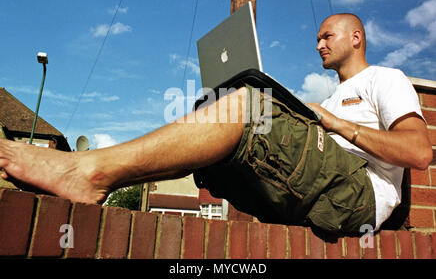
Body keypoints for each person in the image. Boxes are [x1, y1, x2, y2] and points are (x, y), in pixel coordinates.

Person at [0, 13, 432, 235]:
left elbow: (418, 153)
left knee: (247, 106)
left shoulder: (385, 79)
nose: (318, 44)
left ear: (356, 37)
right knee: (215, 147)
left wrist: (338, 125)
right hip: (322, 189)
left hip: (360, 197)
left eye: (327, 36)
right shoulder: (332, 95)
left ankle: (88, 170)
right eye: (317, 39)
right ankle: (105, 182)